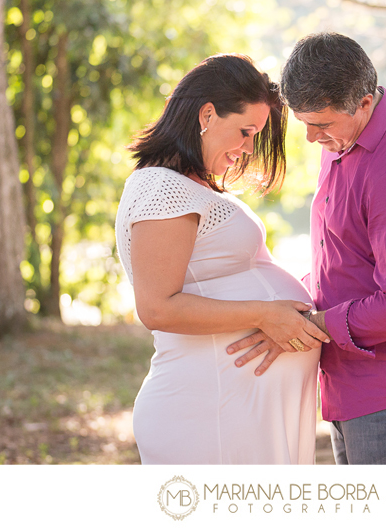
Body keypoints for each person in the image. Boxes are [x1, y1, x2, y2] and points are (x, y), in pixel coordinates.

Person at [228, 33, 386, 464]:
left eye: (321, 124)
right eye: (304, 123)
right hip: (354, 385)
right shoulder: (343, 141)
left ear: (364, 104)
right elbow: (342, 257)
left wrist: (312, 325)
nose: (310, 137)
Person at [114, 53, 330, 465]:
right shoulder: (163, 188)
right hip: (206, 412)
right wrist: (266, 314)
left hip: (228, 409)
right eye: (245, 131)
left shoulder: (191, 188)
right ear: (208, 114)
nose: (248, 148)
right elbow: (157, 308)